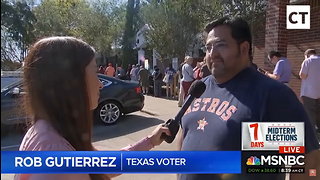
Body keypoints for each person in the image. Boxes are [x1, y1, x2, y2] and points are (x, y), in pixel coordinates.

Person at [178, 17, 319, 180]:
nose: (212, 53)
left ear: (244, 48)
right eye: (208, 47)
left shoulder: (272, 95)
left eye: (221, 45)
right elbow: (186, 135)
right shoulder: (199, 88)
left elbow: (308, 162)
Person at [15, 37, 170, 180]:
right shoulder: (58, 159)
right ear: (71, 82)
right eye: (95, 72)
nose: (100, 84)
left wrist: (150, 141)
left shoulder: (46, 131)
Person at [299, 49, 320, 134]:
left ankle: (311, 134)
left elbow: (302, 75)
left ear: (307, 55)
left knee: (310, 113)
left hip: (309, 92)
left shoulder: (308, 61)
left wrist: (305, 59)